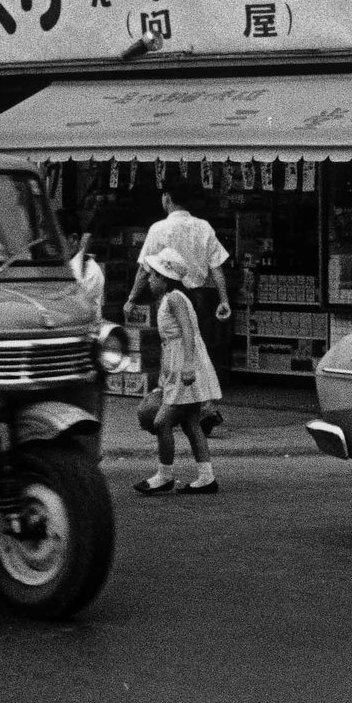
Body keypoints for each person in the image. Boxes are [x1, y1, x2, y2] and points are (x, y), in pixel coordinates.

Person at [136, 179, 233, 376]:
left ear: (167, 198)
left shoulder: (157, 228)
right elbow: (216, 268)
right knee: (198, 341)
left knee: (170, 341)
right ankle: (198, 384)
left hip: (168, 294)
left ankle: (173, 383)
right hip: (200, 295)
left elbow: (144, 269)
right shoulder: (203, 226)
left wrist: (131, 297)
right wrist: (224, 300)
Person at [139, 276, 222, 496]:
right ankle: (206, 477)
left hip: (186, 368)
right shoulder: (168, 299)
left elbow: (187, 331)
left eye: (154, 275)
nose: (149, 280)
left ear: (165, 279)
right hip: (178, 368)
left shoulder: (175, 298)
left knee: (161, 422)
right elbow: (168, 343)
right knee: (190, 422)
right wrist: (165, 376)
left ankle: (164, 475)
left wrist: (187, 365)